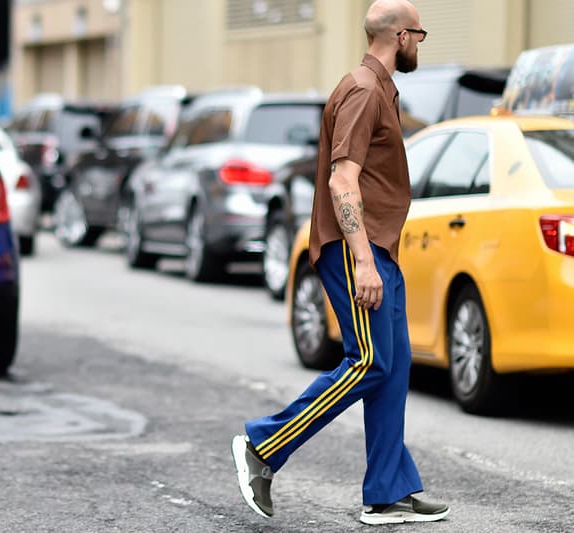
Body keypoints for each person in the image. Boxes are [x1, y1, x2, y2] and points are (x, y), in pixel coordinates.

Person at [231, 0, 450, 525]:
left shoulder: (380, 89)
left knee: (392, 369)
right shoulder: (362, 90)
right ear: (400, 36)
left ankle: (388, 491)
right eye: (418, 33)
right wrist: (364, 263)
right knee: (370, 362)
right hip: (358, 251)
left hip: (378, 251)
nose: (420, 42)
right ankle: (264, 446)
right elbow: (341, 180)